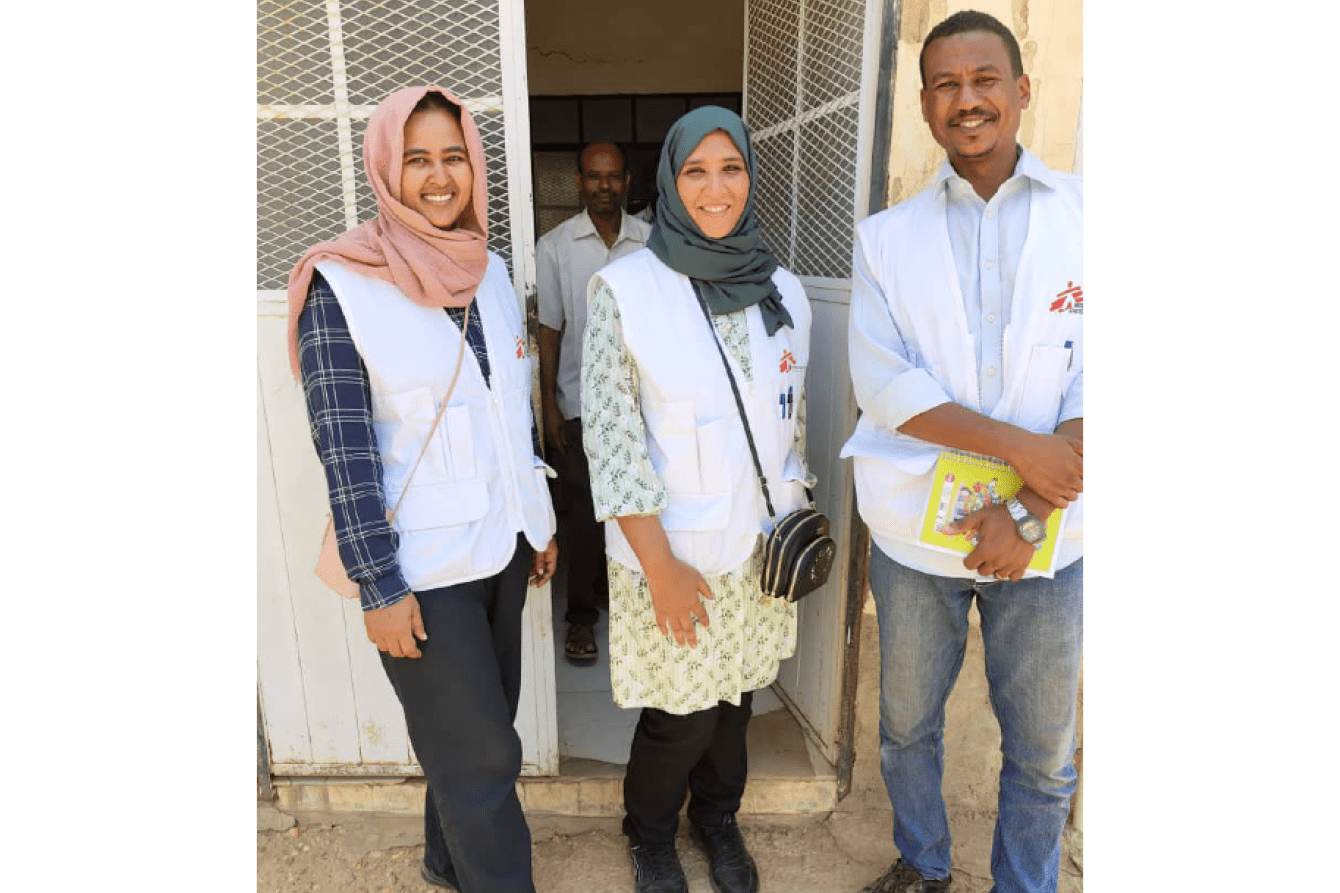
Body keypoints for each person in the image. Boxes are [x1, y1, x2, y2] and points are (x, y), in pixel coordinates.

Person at [287, 85, 557, 893]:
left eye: (452, 158)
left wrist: (538, 521)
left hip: (501, 547)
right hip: (421, 570)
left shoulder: (493, 270)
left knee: (474, 734)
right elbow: (344, 448)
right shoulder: (342, 282)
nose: (439, 178)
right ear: (385, 168)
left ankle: (446, 860)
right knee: (482, 758)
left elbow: (514, 409)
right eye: (417, 160)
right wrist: (378, 584)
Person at [842, 11, 1084, 893]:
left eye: (986, 79)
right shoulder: (884, 240)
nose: (967, 99)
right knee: (908, 725)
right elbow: (886, 386)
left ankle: (1026, 884)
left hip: (1052, 536)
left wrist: (1025, 508)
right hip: (916, 537)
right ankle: (925, 863)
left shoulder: (1091, 218)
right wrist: (1019, 446)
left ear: (1023, 92)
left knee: (1044, 747)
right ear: (922, 104)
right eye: (946, 84)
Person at [581, 107, 815, 893]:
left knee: (737, 702)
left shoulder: (783, 289)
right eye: (696, 171)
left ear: (751, 176)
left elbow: (792, 416)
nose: (716, 188)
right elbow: (611, 445)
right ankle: (649, 833)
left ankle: (716, 818)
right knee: (680, 715)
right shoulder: (624, 288)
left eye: (732, 168)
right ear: (670, 185)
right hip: (669, 553)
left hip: (756, 550)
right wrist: (662, 567)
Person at [537, 141, 652, 662]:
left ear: (628, 181)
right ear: (579, 183)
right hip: (580, 403)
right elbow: (550, 331)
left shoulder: (652, 243)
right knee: (583, 516)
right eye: (593, 177)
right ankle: (579, 620)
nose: (603, 186)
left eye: (613, 177)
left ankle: (622, 599)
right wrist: (549, 408)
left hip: (642, 403)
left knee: (636, 507)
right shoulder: (556, 246)